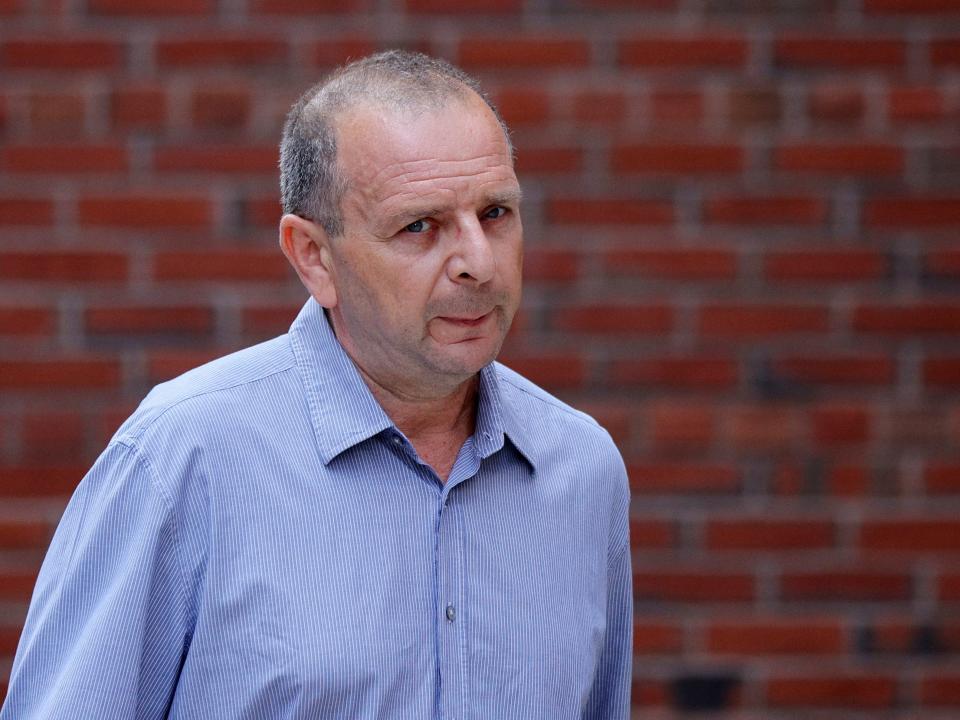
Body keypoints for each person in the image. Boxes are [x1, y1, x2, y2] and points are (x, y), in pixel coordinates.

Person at [1, 51, 632, 719]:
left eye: (496, 213)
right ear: (313, 257)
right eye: (419, 225)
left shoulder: (580, 472)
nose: (478, 261)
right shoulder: (182, 458)